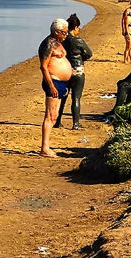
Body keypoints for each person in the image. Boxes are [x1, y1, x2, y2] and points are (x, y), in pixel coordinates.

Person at [39, 19, 73, 157]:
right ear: (56, 31)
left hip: (61, 83)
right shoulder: (47, 44)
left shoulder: (58, 43)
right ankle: (44, 148)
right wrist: (51, 85)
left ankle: (47, 145)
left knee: (54, 116)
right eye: (64, 32)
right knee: (49, 116)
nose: (66, 35)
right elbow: (43, 67)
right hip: (53, 81)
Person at [54, 13, 92, 130]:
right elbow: (89, 54)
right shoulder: (78, 41)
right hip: (77, 70)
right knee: (76, 98)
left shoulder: (62, 40)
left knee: (63, 97)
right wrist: (81, 58)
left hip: (65, 71)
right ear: (75, 27)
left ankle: (57, 121)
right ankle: (75, 124)